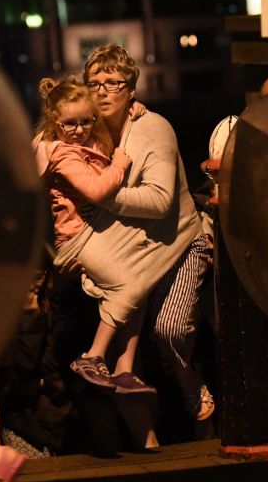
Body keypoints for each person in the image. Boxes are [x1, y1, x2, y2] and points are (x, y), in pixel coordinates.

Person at [79, 45, 215, 425]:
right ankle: (142, 441)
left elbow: (158, 201)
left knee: (168, 329)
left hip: (179, 244)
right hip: (134, 250)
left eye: (113, 83)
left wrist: (100, 196)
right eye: (95, 83)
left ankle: (190, 383)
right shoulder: (90, 133)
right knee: (123, 349)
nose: (103, 91)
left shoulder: (153, 128)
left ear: (131, 90)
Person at [34, 76, 157, 395]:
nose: (79, 130)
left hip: (98, 238)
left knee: (139, 282)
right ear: (55, 122)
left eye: (86, 121)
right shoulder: (61, 153)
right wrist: (119, 164)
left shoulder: (84, 141)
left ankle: (122, 368)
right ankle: (98, 358)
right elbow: (97, 190)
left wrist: (131, 110)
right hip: (79, 243)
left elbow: (104, 127)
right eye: (69, 124)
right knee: (132, 283)